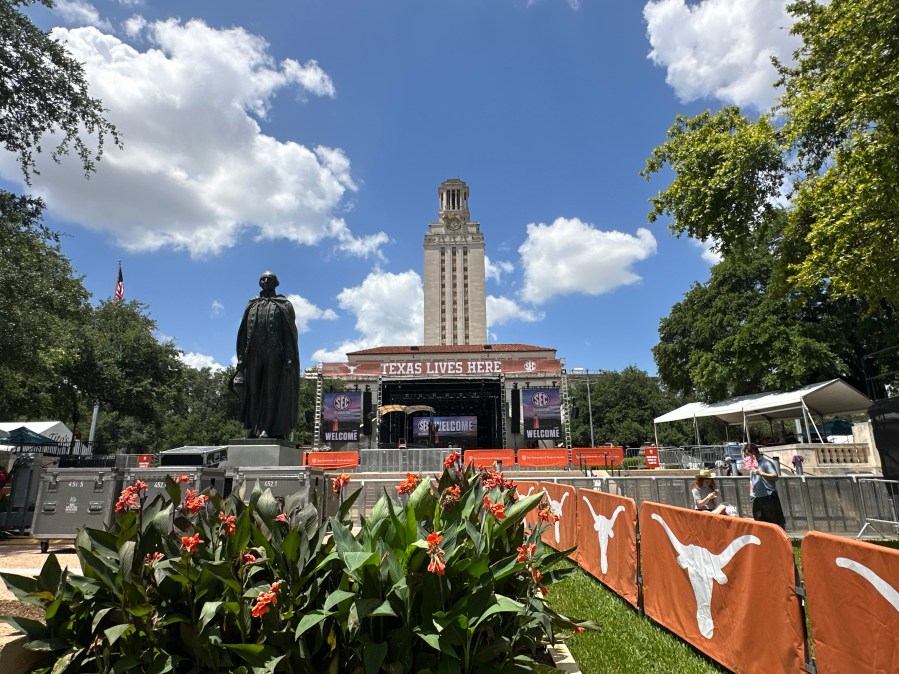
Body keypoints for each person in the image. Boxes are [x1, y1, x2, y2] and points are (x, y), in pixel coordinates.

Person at [230, 272, 300, 439]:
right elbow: (243, 331)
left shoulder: (284, 304)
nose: (266, 281)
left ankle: (267, 427)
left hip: (275, 353)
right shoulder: (252, 304)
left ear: (276, 283)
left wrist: (289, 356)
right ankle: (254, 427)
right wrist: (241, 358)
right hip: (253, 353)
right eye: (263, 278)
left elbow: (289, 333)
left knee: (270, 391)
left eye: (270, 278)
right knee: (253, 390)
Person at [743, 442, 786, 529]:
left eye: (748, 454)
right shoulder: (751, 465)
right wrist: (751, 493)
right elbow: (752, 480)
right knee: (760, 522)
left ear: (754, 452)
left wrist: (761, 473)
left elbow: (775, 476)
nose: (747, 457)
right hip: (756, 497)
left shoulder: (766, 463)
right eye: (746, 455)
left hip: (768, 496)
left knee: (775, 522)